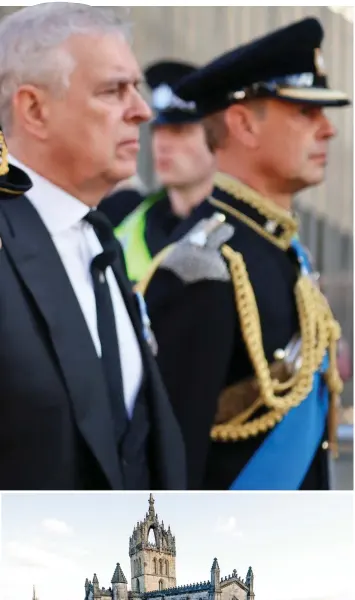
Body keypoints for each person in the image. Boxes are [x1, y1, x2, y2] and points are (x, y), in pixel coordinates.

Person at [143, 17, 348, 491]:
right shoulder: (204, 269)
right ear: (241, 125)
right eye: (304, 113)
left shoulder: (284, 252)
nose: (327, 131)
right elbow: (172, 472)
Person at [0, 3, 186, 492]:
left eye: (137, 89)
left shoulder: (99, 239)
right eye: (113, 90)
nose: (142, 111)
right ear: (34, 109)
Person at [111, 60, 215, 283]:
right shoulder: (122, 218)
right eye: (158, 130)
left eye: (179, 131)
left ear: (217, 136)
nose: (162, 144)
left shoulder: (240, 229)